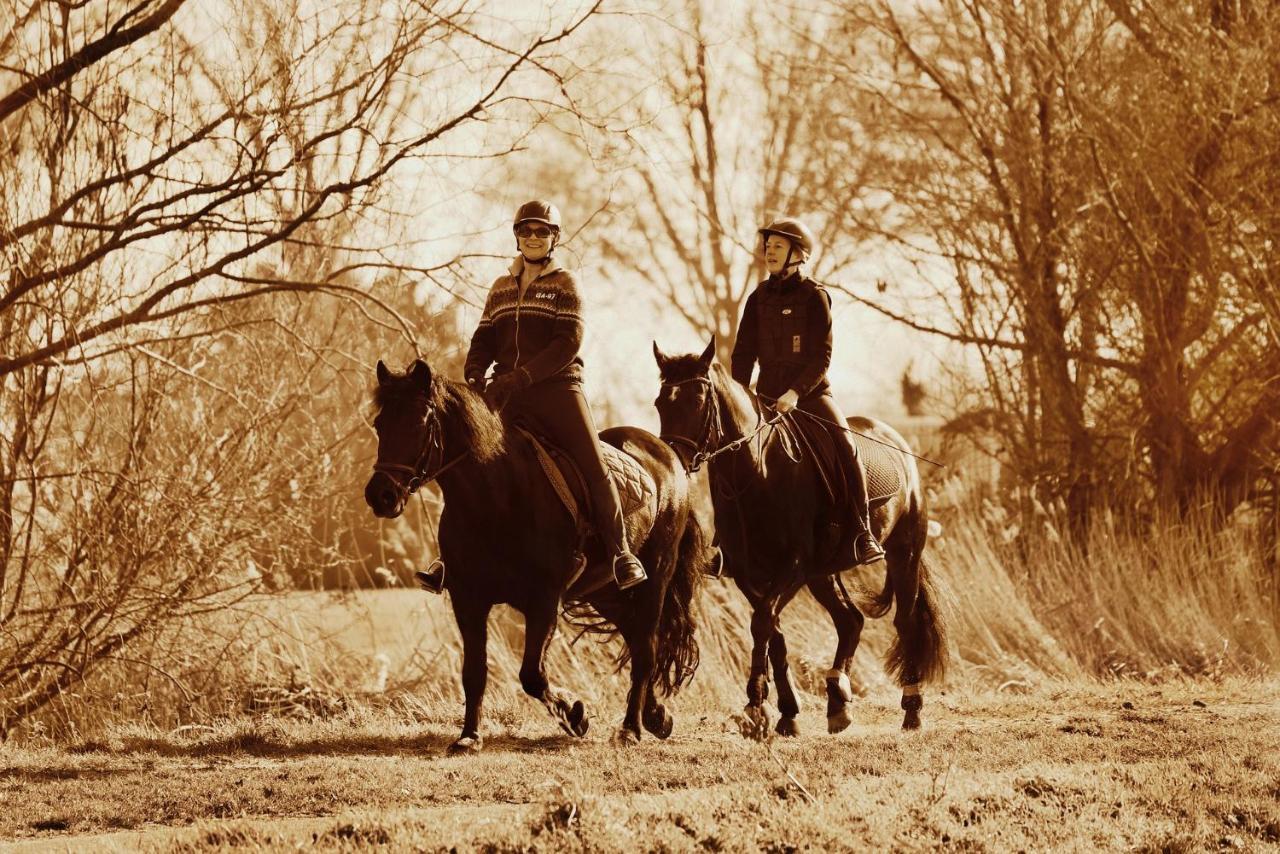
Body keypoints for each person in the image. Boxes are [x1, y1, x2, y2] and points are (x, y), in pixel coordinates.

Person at [463, 200, 648, 590]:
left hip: (559, 390)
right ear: (516, 236)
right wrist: (475, 372)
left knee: (593, 463)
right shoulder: (499, 288)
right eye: (526, 231)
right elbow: (483, 337)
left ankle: (621, 552)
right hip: (506, 395)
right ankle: (453, 557)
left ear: (554, 238)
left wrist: (522, 378)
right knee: (472, 465)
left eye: (541, 231)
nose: (533, 237)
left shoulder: (566, 283)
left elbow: (567, 343)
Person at [729, 217, 885, 565]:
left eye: (778, 247)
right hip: (766, 399)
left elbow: (822, 355)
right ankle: (725, 541)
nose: (769, 252)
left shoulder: (815, 296)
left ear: (798, 254)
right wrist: (741, 396)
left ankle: (863, 532)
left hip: (811, 396)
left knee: (846, 445)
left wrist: (796, 393)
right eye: (767, 247)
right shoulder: (757, 299)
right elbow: (743, 354)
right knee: (732, 451)